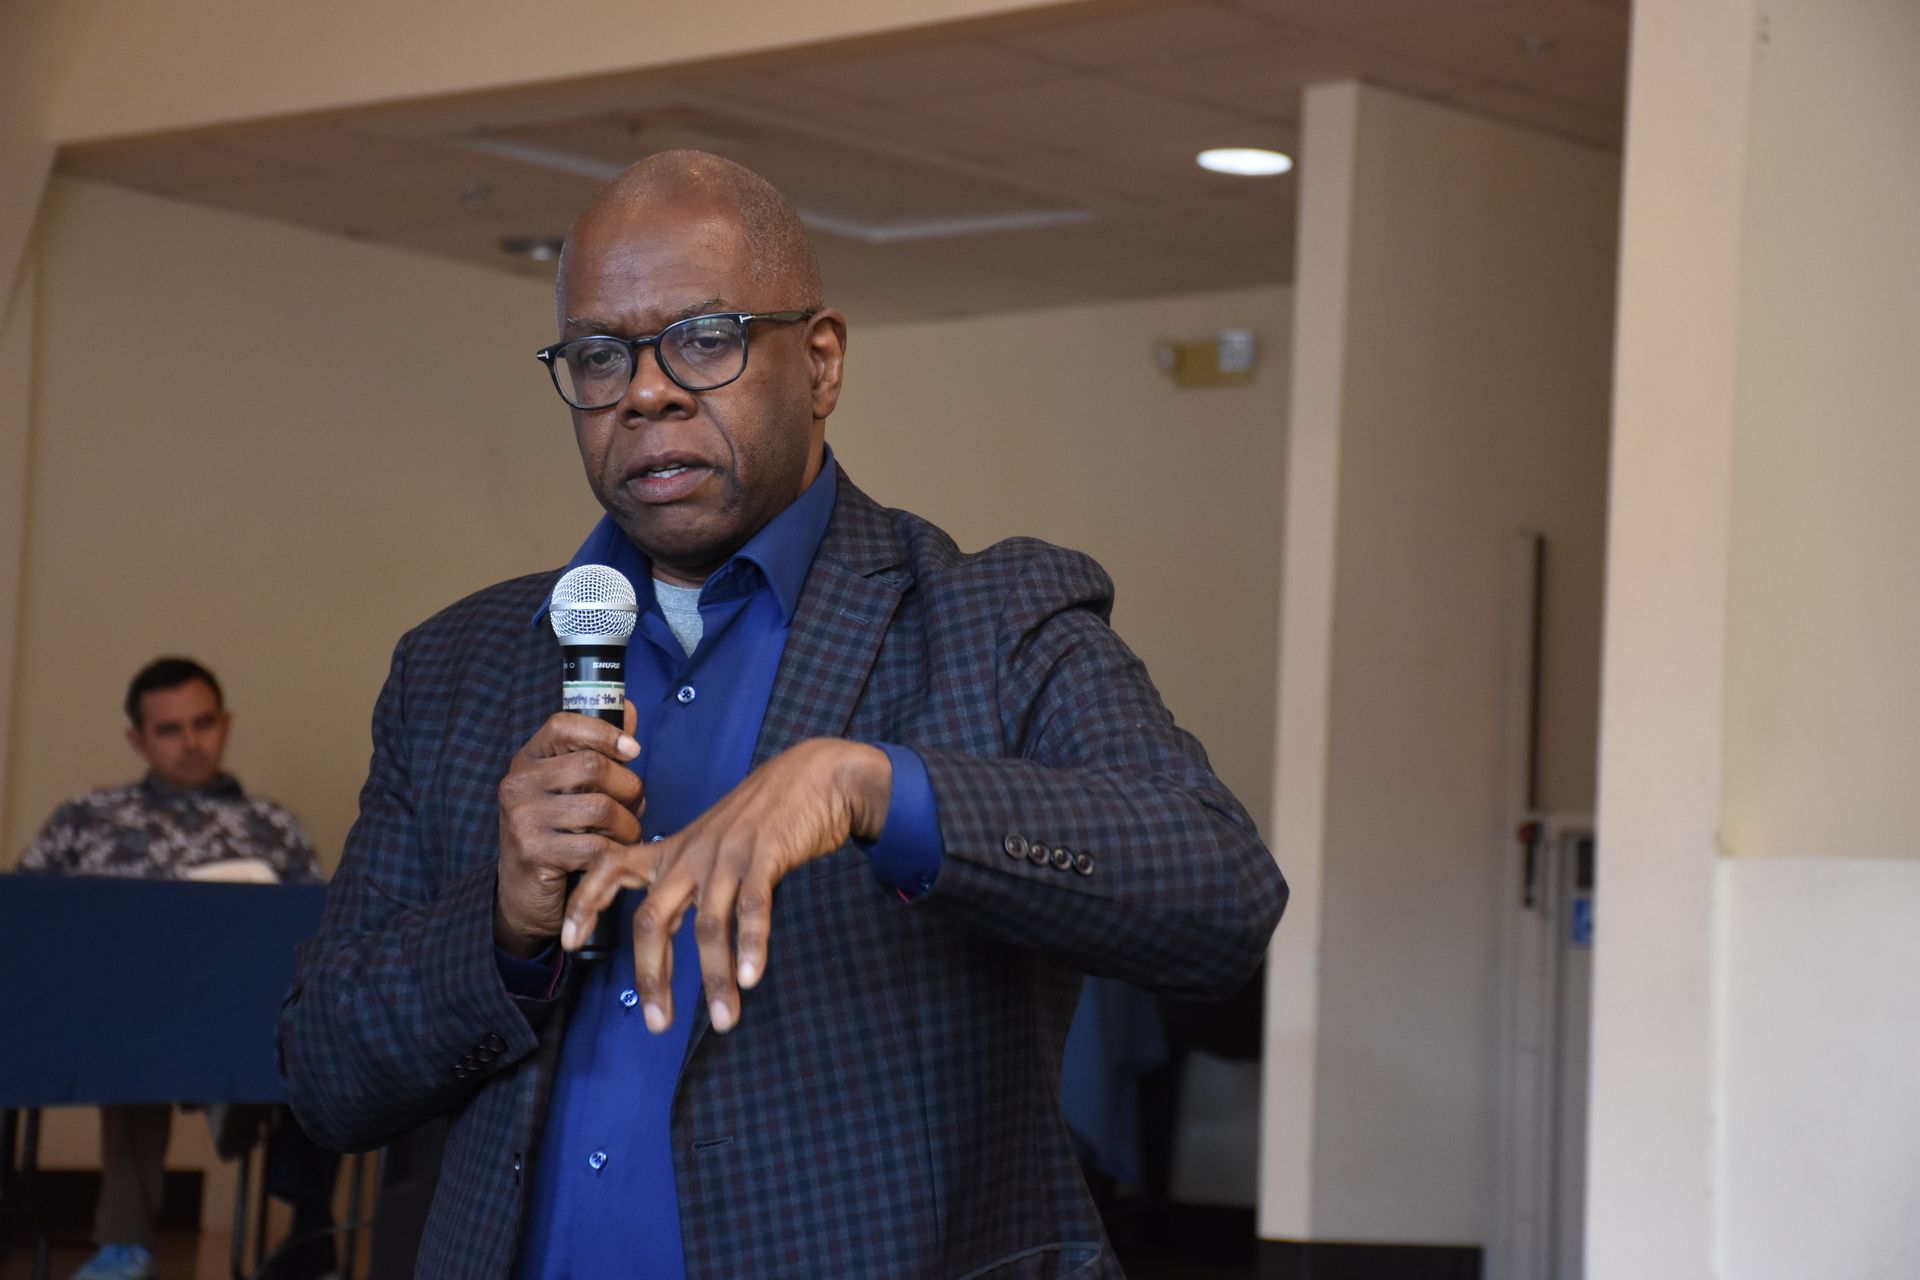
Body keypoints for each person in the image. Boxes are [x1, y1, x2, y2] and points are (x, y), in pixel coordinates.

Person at [277, 150, 1287, 1280]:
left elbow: (1223, 892)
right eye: (601, 355)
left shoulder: (991, 619)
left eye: (703, 337)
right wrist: (502, 925)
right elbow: (323, 1074)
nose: (646, 390)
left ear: (820, 362)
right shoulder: (459, 665)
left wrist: (875, 788)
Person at [20, 657, 342, 1280]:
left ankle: (307, 1230)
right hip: (119, 1020)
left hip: (244, 1015)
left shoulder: (273, 826)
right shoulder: (88, 817)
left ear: (225, 724)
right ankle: (123, 1247)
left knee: (322, 1034)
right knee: (137, 1037)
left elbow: (312, 936)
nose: (191, 743)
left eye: (203, 724)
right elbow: (30, 921)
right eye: (170, 730)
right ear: (137, 739)